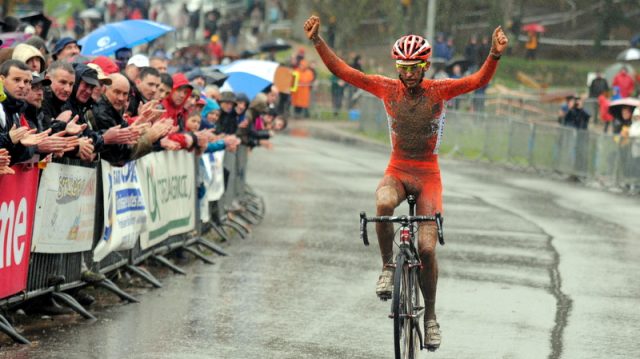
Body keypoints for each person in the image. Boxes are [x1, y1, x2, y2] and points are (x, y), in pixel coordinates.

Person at [304, 15, 508, 351]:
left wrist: (494, 54)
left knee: (427, 249)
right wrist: (317, 41)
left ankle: (430, 317)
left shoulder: (439, 90)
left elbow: (477, 81)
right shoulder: (387, 87)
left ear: (426, 66)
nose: (409, 73)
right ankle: (386, 267)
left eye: (415, 67)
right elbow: (345, 72)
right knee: (383, 203)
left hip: (428, 175)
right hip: (398, 168)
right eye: (403, 67)